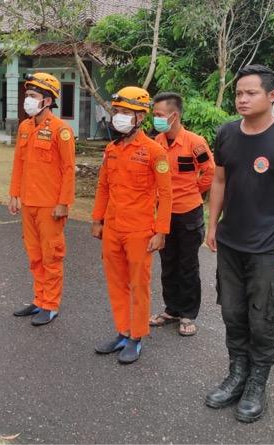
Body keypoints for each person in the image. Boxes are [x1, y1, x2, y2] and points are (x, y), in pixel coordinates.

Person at [204, 65, 274, 423]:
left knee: (262, 318)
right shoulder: (226, 133)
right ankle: (237, 374)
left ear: (272, 96)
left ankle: (256, 383)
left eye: (250, 93)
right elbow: (219, 181)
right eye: (239, 93)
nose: (242, 99)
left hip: (269, 248)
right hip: (231, 243)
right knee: (232, 313)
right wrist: (212, 225)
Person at [91, 86, 173, 364]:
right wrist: (97, 220)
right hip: (112, 228)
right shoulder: (112, 149)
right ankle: (122, 331)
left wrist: (161, 231)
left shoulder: (154, 151)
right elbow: (103, 187)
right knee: (116, 284)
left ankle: (136, 337)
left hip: (140, 231)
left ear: (141, 117)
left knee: (138, 285)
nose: (119, 117)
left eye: (126, 112)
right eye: (117, 111)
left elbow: (166, 194)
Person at [9, 72, 76, 326]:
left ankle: (50, 304)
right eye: (27, 94)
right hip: (28, 202)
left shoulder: (62, 130)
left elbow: (69, 169)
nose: (27, 99)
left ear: (47, 101)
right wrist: (14, 194)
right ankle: (39, 299)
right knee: (34, 255)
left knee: (51, 256)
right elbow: (19, 162)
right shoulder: (25, 127)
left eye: (33, 95)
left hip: (50, 205)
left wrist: (63, 203)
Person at [149, 92, 215, 336]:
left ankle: (188, 314)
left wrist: (193, 190)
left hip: (188, 212)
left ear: (174, 115)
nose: (155, 118)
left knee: (187, 265)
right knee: (168, 264)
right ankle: (172, 310)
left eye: (159, 114)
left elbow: (210, 171)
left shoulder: (194, 142)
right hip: (164, 213)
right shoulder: (156, 142)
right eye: (155, 114)